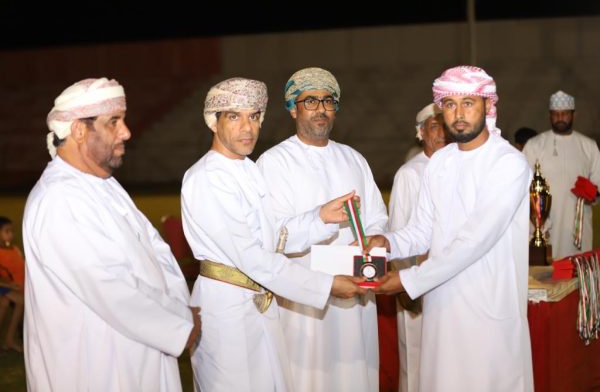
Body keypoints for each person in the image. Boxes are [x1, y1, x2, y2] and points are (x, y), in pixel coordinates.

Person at [181, 77, 366, 392]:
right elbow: (251, 256)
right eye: (234, 116)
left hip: (258, 303)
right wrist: (326, 285)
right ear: (213, 122)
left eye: (254, 116)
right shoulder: (207, 177)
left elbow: (272, 236)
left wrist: (319, 217)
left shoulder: (246, 169)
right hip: (227, 308)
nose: (248, 127)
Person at [22, 78, 201, 391]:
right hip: (96, 364)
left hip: (137, 349)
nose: (126, 132)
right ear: (79, 129)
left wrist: (180, 308)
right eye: (114, 122)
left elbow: (156, 252)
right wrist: (178, 325)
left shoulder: (102, 184)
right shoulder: (59, 199)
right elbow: (108, 286)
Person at [367, 66, 534, 391]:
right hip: (442, 308)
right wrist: (386, 243)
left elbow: (474, 241)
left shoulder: (508, 163)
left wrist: (407, 280)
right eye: (450, 104)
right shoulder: (440, 163)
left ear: (488, 105)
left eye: (468, 103)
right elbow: (422, 230)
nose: (458, 114)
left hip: (489, 309)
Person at [257, 67, 389, 392]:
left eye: (328, 101)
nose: (320, 109)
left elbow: (377, 218)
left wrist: (375, 240)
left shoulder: (354, 159)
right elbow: (272, 236)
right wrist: (319, 218)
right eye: (310, 101)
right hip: (305, 300)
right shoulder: (274, 163)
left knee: (355, 375)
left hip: (356, 292)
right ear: (293, 108)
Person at [387, 102, 447, 392]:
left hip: (449, 282)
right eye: (434, 127)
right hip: (417, 284)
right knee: (416, 359)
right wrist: (407, 286)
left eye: (445, 127)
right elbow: (399, 231)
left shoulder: (456, 166)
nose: (441, 134)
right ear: (421, 133)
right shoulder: (410, 174)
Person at [522, 91, 600, 259]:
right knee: (544, 269)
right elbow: (523, 187)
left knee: (578, 267)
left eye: (565, 113)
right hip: (544, 224)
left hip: (577, 225)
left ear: (574, 115)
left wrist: (591, 194)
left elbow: (598, 185)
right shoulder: (535, 145)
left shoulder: (589, 146)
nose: (560, 118)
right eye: (555, 114)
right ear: (549, 115)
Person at [0, 216, 25, 352]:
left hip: (14, 286)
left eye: (12, 231)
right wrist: (10, 286)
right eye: (7, 231)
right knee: (16, 302)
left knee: (8, 303)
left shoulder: (14, 249)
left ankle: (9, 340)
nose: (11, 234)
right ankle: (9, 340)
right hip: (5, 287)